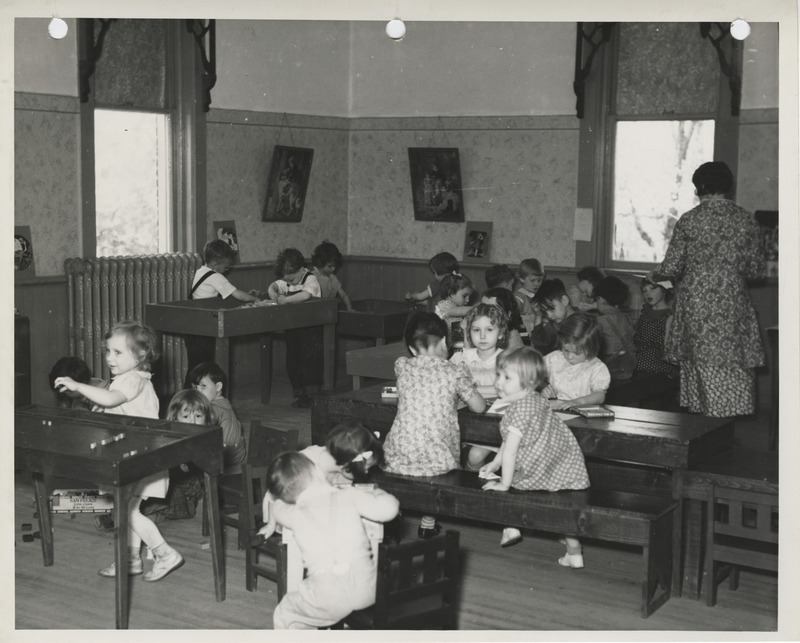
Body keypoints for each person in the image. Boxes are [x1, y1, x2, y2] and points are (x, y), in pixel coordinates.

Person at [53, 321, 183, 582]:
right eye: (108, 351)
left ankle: (164, 553)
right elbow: (114, 406)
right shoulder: (128, 379)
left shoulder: (133, 379)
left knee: (124, 509)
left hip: (140, 457)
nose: (110, 358)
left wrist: (78, 386)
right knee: (127, 509)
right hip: (134, 455)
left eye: (118, 352)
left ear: (141, 355)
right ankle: (131, 560)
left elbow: (112, 399)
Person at [654, 161, 766, 417]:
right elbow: (756, 271)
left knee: (701, 362)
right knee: (732, 362)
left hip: (697, 305)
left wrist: (657, 274)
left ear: (700, 188)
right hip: (732, 302)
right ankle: (726, 426)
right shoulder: (746, 219)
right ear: (729, 186)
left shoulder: (690, 220)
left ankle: (706, 426)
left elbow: (670, 268)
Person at [258, 451, 400, 629]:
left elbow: (277, 507)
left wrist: (278, 498)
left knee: (285, 612)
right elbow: (389, 510)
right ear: (318, 471)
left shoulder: (294, 514)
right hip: (367, 589)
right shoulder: (349, 496)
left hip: (327, 597)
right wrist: (379, 494)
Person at [480, 346, 590, 565]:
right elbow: (507, 444)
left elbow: (511, 451)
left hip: (538, 470)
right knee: (562, 507)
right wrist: (494, 462)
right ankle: (574, 553)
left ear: (528, 383)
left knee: (509, 489)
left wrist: (504, 483)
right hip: (563, 468)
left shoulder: (517, 411)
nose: (499, 382)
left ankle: (511, 526)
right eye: (499, 375)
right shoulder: (537, 399)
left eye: (507, 377)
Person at [382, 311, 485, 536]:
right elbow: (479, 407)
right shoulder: (454, 371)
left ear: (410, 349)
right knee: (434, 477)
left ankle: (392, 516)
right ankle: (427, 525)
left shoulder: (402, 366)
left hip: (398, 455)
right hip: (439, 459)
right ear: (443, 344)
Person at [184, 238, 260, 386]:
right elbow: (237, 294)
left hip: (193, 326)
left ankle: (189, 399)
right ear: (214, 264)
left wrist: (248, 296)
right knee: (202, 368)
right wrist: (256, 299)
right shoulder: (215, 276)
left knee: (195, 367)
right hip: (203, 328)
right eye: (225, 267)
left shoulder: (201, 271)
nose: (226, 271)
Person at [451, 303, 509, 471]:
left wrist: (469, 388)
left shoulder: (506, 359)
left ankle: (478, 487)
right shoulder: (461, 358)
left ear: (501, 333)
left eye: (489, 330)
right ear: (469, 332)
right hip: (465, 422)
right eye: (476, 330)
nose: (482, 336)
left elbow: (505, 389)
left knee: (475, 456)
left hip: (496, 425)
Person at [265, 247, 322, 408]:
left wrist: (285, 300)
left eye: (291, 280)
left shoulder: (310, 279)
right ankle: (301, 394)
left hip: (311, 329)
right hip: (294, 326)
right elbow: (275, 285)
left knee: (309, 362)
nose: (289, 284)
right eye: (287, 281)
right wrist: (273, 290)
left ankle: (313, 395)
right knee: (293, 361)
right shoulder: (289, 278)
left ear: (301, 270)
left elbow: (305, 295)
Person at [162, 388, 213, 521]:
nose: (192, 422)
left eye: (198, 416)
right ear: (175, 418)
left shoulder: (205, 438)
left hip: (187, 491)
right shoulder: (172, 437)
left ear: (206, 418)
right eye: (185, 417)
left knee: (165, 509)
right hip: (168, 485)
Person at [543, 312, 610, 410]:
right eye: (566, 350)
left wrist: (578, 402)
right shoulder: (555, 359)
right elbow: (532, 372)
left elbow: (600, 396)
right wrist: (543, 387)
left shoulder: (596, 367)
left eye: (577, 353)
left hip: (582, 415)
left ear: (591, 348)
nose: (570, 357)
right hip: (556, 413)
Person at [188, 361, 246, 467]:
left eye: (203, 386)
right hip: (238, 452)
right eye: (195, 387)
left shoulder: (213, 408)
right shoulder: (224, 402)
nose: (197, 392)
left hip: (227, 455)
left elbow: (209, 420)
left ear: (218, 387)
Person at [301, 421, 384, 487]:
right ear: (345, 464)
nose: (366, 472)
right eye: (366, 468)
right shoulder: (303, 471)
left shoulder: (344, 471)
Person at [633, 276, 679, 378]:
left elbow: (670, 348)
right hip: (637, 365)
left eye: (653, 289)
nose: (648, 293)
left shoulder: (669, 316)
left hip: (659, 369)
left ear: (664, 290)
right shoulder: (644, 314)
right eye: (644, 291)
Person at [593, 276, 637, 380]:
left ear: (601, 299)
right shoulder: (626, 317)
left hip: (610, 369)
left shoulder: (600, 321)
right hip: (627, 367)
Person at [434, 272, 475, 350]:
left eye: (469, 296)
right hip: (444, 342)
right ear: (451, 293)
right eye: (465, 296)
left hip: (454, 339)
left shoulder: (457, 305)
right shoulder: (444, 305)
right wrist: (476, 308)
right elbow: (457, 311)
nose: (468, 300)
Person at [311, 240, 353, 311]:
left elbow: (344, 295)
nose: (333, 268)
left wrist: (349, 308)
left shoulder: (333, 278)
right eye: (330, 266)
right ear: (320, 264)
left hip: (330, 312)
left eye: (335, 266)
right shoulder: (313, 277)